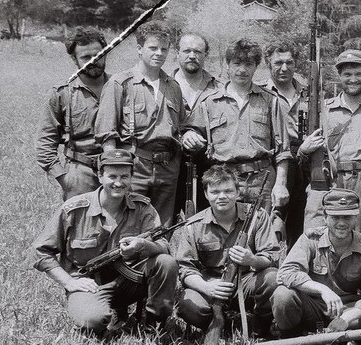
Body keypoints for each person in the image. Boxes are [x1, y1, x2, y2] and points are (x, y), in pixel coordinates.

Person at [32, 149, 178, 335]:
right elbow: (41, 251)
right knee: (92, 321)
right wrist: (68, 282)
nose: (118, 183)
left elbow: (164, 245)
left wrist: (143, 245)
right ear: (100, 176)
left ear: (132, 178)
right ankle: (106, 314)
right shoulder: (74, 210)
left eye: (125, 176)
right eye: (112, 176)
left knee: (166, 263)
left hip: (130, 281)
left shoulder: (143, 208)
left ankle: (153, 323)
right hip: (90, 284)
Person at [272, 189, 361, 343]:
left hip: (350, 310)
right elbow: (285, 273)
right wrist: (322, 290)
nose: (342, 223)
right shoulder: (311, 239)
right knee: (283, 295)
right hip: (314, 308)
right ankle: (292, 340)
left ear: (355, 218)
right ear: (325, 218)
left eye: (347, 217)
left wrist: (346, 318)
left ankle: (346, 339)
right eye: (335, 217)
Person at [180, 40, 291, 213]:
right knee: (226, 232)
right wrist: (188, 134)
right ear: (228, 65)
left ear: (256, 67)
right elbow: (190, 130)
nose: (242, 70)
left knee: (261, 233)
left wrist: (281, 184)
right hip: (224, 180)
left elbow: (283, 150)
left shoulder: (270, 101)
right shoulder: (209, 102)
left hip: (262, 180)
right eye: (237, 63)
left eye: (248, 64)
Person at [94, 22, 186, 226]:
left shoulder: (173, 87)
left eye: (164, 49)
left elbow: (180, 128)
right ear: (139, 49)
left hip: (167, 167)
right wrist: (116, 170)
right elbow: (107, 134)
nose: (159, 53)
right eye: (153, 48)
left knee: (162, 228)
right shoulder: (121, 83)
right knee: (127, 224)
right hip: (134, 165)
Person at [298, 49, 361, 232]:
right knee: (317, 241)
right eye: (347, 74)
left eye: (359, 74)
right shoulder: (323, 110)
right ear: (340, 76)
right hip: (328, 183)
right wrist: (303, 150)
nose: (353, 79)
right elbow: (304, 160)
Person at [175, 166, 280, 338]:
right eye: (215, 192)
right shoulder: (193, 225)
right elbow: (186, 269)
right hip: (210, 283)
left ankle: (260, 329)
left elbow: (272, 256)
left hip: (245, 282)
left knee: (272, 278)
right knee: (189, 306)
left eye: (228, 191)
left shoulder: (257, 216)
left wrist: (252, 260)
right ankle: (221, 324)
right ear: (206, 194)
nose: (222, 196)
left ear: (238, 192)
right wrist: (208, 288)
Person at [37, 27, 109, 199]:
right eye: (86, 57)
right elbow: (45, 143)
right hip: (80, 172)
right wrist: (65, 179)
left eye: (98, 54)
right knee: (79, 224)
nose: (94, 60)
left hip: (116, 172)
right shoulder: (62, 94)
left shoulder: (121, 87)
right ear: (74, 59)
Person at [257, 42, 308, 248]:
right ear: (268, 63)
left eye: (289, 62)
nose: (284, 68)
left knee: (301, 216)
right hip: (274, 159)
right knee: (271, 218)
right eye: (278, 62)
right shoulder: (260, 92)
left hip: (304, 158)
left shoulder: (307, 92)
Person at [171, 32, 219, 216]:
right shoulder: (163, 86)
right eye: (187, 50)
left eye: (198, 51)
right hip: (170, 164)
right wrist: (183, 136)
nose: (192, 55)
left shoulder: (218, 88)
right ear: (177, 53)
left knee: (207, 219)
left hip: (206, 163)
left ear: (205, 54)